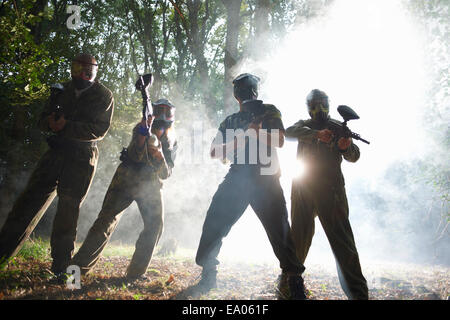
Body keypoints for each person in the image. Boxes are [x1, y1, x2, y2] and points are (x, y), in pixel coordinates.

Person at [194, 73, 307, 299]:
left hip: (266, 179)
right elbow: (215, 151)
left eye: (250, 89)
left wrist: (258, 132)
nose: (248, 93)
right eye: (244, 90)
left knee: (281, 232)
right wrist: (243, 137)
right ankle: (208, 272)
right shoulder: (230, 121)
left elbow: (280, 141)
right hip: (238, 178)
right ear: (237, 96)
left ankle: (293, 278)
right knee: (214, 221)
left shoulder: (270, 111)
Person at [0, 54, 114, 277]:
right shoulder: (61, 89)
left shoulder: (103, 95)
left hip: (81, 158)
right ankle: (3, 254)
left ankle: (61, 268)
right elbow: (42, 119)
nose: (81, 73)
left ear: (94, 71)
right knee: (27, 203)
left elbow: (99, 130)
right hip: (56, 153)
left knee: (67, 212)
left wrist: (66, 126)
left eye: (87, 70)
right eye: (77, 67)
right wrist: (50, 124)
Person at [71, 98, 177, 279]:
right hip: (126, 178)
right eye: (159, 111)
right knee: (105, 221)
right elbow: (134, 155)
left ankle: (136, 274)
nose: (161, 118)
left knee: (155, 226)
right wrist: (143, 135)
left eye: (167, 112)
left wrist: (159, 156)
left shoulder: (171, 141)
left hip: (150, 183)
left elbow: (166, 174)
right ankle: (75, 272)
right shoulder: (141, 128)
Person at [285, 89, 368, 300]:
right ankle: (290, 283)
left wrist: (345, 146)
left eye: (322, 104)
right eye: (314, 104)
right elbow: (288, 132)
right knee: (298, 239)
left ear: (328, 105)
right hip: (303, 188)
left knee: (343, 243)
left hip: (331, 192)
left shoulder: (337, 127)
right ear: (308, 107)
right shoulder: (303, 125)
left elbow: (355, 155)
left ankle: (358, 294)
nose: (318, 109)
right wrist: (316, 135)